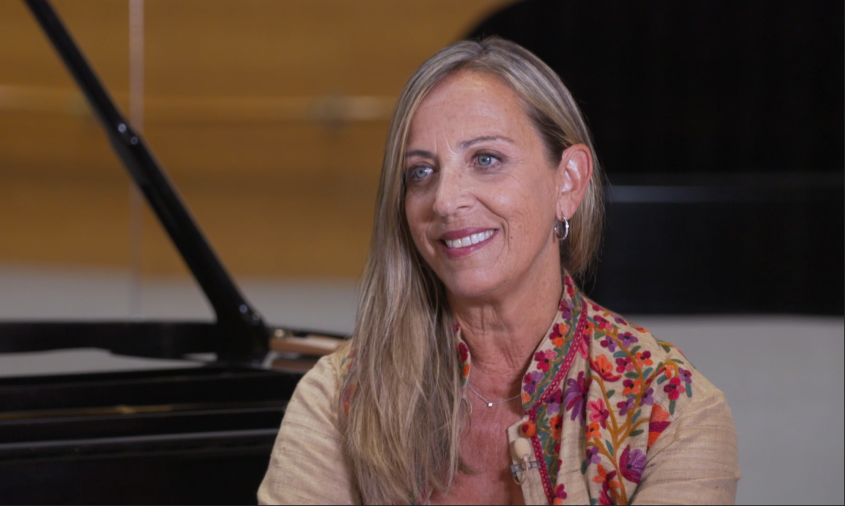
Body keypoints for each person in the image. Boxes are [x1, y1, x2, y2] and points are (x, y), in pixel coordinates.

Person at [258, 37, 739, 505]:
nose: (445, 201)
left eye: (486, 159)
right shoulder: (337, 394)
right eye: (420, 172)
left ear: (567, 181)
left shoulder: (671, 409)